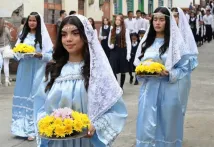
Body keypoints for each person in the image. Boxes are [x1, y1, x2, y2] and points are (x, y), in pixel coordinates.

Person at [36, 14, 127, 147]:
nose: (68, 39)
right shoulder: (53, 70)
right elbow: (40, 106)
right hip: (58, 140)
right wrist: (48, 124)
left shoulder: (97, 71)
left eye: (75, 33)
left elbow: (116, 111)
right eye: (64, 34)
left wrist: (95, 126)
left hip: (87, 140)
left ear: (85, 36)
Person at [134, 7, 198, 147]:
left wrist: (170, 74)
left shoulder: (176, 44)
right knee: (146, 128)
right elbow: (138, 63)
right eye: (155, 19)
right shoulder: (146, 43)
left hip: (168, 91)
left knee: (167, 128)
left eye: (161, 20)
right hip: (148, 91)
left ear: (167, 22)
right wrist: (141, 71)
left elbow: (184, 68)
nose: (157, 23)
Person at [11, 12, 53, 141]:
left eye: (34, 21)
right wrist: (20, 53)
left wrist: (40, 55)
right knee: (23, 96)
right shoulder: (23, 36)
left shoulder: (43, 37)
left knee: (35, 97)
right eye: (30, 20)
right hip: (24, 70)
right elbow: (16, 54)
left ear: (38, 22)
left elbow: (51, 56)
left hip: (38, 71)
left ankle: (33, 129)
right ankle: (19, 127)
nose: (32, 23)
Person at [171, 7, 199, 117]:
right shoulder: (167, 33)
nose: (174, 18)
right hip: (169, 72)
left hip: (182, 72)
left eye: (176, 16)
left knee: (179, 101)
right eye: (171, 16)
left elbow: (191, 54)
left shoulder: (185, 34)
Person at [108, 15, 131, 89]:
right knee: (112, 68)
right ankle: (116, 85)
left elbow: (128, 42)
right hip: (114, 51)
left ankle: (121, 86)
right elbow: (109, 40)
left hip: (122, 51)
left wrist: (128, 54)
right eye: (116, 20)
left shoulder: (125, 30)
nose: (117, 21)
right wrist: (110, 45)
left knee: (122, 70)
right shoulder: (112, 29)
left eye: (119, 20)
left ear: (121, 21)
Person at [0, 18, 12, 86]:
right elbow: (10, 38)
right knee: (6, 64)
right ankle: (6, 80)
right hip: (5, 47)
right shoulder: (5, 29)